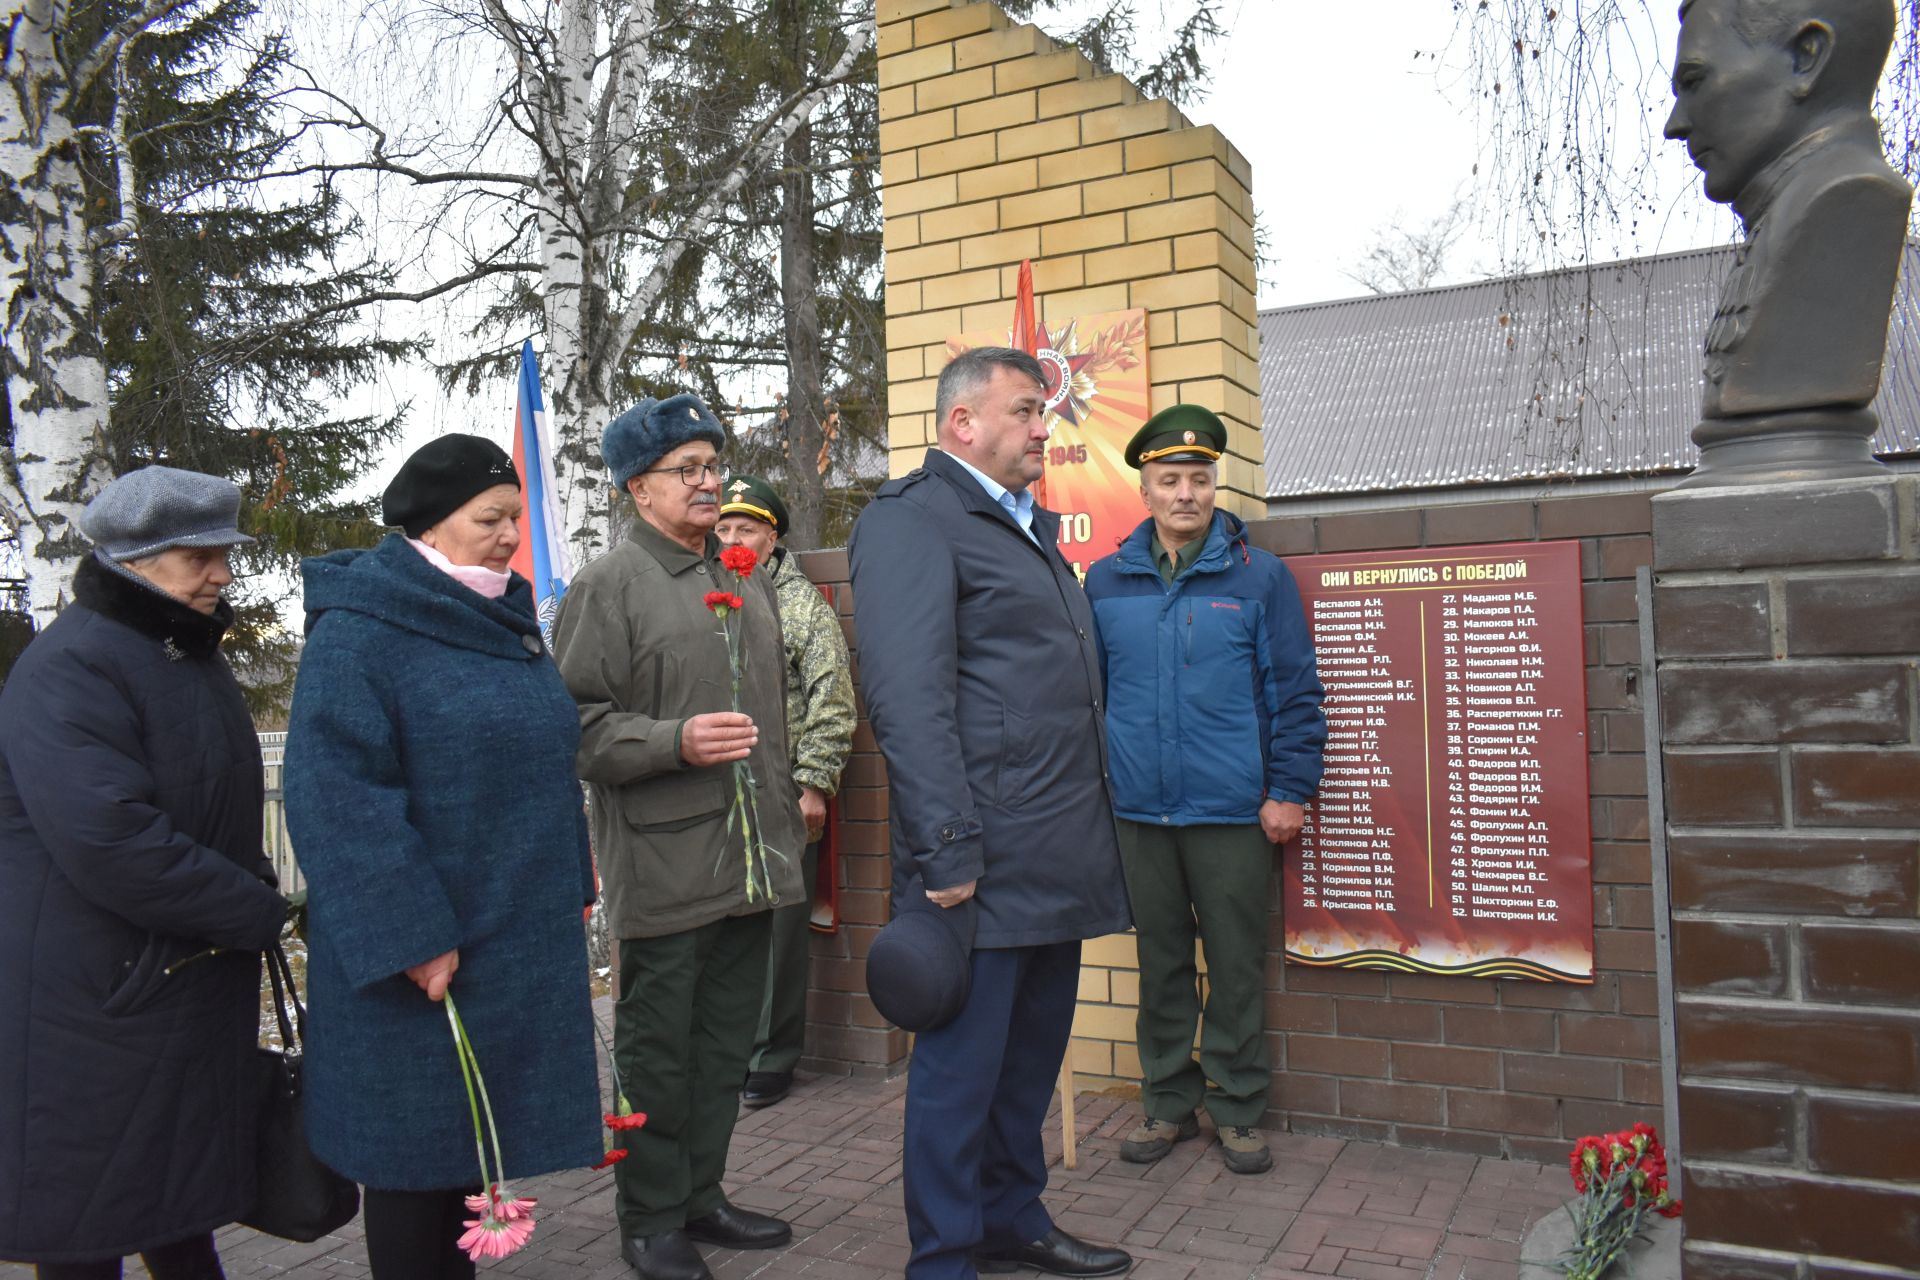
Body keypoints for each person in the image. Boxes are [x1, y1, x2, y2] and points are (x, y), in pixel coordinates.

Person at [283, 434, 602, 1280]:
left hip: (504, 930)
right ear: (429, 527)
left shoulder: (502, 619)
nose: (508, 536)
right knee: (413, 1162)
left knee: (463, 1147)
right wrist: (411, 934)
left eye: (513, 519)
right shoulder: (359, 632)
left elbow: (549, 759)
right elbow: (338, 800)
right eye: (489, 519)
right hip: (422, 954)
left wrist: (574, 881)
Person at [849, 347, 1134, 1280]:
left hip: (1055, 847)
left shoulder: (1028, 527)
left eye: (1043, 412)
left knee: (1027, 1064)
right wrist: (946, 845)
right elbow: (907, 696)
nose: (1043, 427)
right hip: (977, 853)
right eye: (1024, 410)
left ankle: (1014, 1217)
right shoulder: (914, 520)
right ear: (961, 424)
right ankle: (944, 1253)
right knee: (960, 1073)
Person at [0, 467, 290, 1279]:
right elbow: (114, 841)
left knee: (175, 1205)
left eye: (225, 553)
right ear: (135, 558)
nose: (223, 574)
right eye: (199, 556)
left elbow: (218, 813)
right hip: (95, 1000)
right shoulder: (74, 668)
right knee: (86, 1229)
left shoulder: (179, 656)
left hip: (166, 981)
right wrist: (263, 913)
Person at [551, 396, 804, 1280]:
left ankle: (702, 1195)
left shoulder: (744, 574)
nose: (709, 484)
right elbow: (575, 727)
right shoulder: (607, 586)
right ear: (637, 488)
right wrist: (672, 741)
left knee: (727, 1042)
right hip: (663, 864)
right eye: (687, 470)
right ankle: (650, 1217)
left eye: (712, 466)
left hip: (750, 857)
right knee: (659, 1052)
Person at [1083, 405, 1326, 1176]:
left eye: (1199, 478)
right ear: (1145, 488)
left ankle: (1237, 1108)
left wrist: (1289, 787)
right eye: (1169, 479)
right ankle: (1166, 1104)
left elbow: (1295, 691)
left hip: (1232, 813)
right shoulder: (1104, 580)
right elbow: (1088, 698)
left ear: (1215, 485)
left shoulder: (1259, 577)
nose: (1186, 492)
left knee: (1235, 964)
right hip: (1137, 813)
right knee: (1158, 964)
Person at [1665, 0, 1911, 424]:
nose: (1675, 125)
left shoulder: (1844, 208)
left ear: (1806, 57)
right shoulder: (1779, 219)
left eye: (1695, 80)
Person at [714, 475, 855, 1110]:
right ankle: (726, 1051)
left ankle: (771, 1058)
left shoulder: (802, 609)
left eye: (747, 529)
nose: (733, 539)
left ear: (773, 539)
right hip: (716, 791)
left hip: (780, 793)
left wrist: (814, 784)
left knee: (778, 935)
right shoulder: (708, 598)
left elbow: (832, 702)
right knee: (723, 931)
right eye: (724, 529)